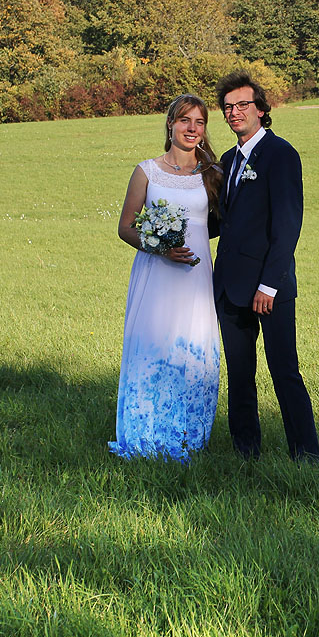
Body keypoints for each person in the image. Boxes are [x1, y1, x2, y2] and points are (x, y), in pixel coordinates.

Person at [213, 71, 319, 462]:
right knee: (240, 377)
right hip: (229, 288)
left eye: (243, 105)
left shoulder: (281, 154)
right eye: (228, 107)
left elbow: (288, 225)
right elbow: (221, 220)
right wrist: (172, 225)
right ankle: (245, 453)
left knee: (284, 373)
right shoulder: (227, 160)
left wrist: (269, 286)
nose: (234, 112)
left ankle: (306, 454)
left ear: (260, 109)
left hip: (268, 289)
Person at [109, 95, 223, 462]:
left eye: (200, 122)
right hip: (156, 274)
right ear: (170, 124)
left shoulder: (212, 174)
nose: (192, 129)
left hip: (195, 278)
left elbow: (225, 224)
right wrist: (159, 246)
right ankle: (144, 433)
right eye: (185, 121)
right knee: (153, 346)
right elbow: (126, 227)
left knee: (192, 349)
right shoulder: (147, 171)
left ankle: (188, 436)